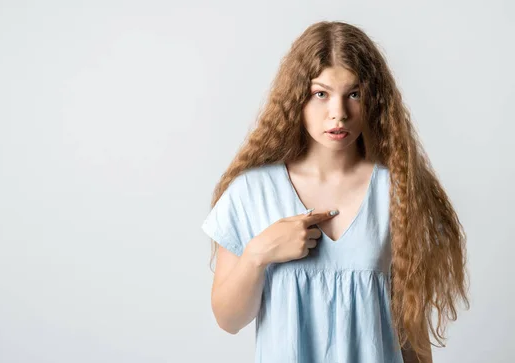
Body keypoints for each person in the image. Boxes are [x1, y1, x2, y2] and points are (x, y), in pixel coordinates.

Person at [200, 21, 469, 363]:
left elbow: (410, 335)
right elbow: (228, 319)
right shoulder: (252, 192)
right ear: (297, 97)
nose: (338, 113)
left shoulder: (398, 191)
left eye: (353, 94)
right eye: (321, 94)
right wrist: (258, 253)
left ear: (373, 99)